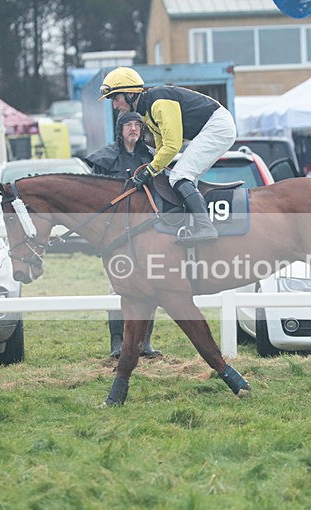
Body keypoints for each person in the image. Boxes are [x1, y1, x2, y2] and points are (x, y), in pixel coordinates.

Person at [98, 66, 236, 244]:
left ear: (130, 94)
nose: (115, 105)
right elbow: (162, 146)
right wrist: (153, 167)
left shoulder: (159, 103)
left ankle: (206, 228)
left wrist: (149, 171)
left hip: (219, 127)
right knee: (176, 175)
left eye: (115, 98)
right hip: (213, 126)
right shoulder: (147, 112)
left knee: (180, 175)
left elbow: (172, 146)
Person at [84, 111, 161, 359]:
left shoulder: (150, 157)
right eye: (128, 124)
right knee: (116, 288)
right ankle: (117, 344)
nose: (133, 129)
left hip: (146, 233)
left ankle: (144, 343)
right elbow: (95, 199)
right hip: (116, 235)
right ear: (120, 129)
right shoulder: (104, 160)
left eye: (137, 125)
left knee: (151, 286)